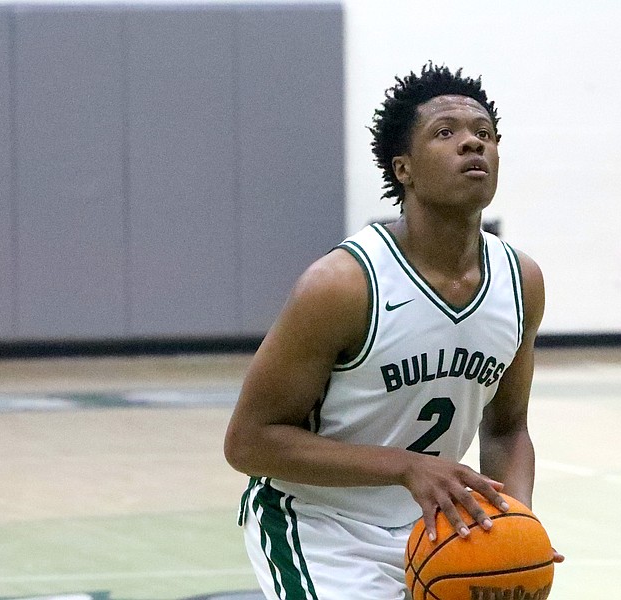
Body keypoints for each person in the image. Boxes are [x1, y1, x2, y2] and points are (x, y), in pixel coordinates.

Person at [224, 62, 562, 600]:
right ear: (403, 169)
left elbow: (507, 430)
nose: (472, 143)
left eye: (485, 133)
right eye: (445, 132)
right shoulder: (342, 284)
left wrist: (515, 524)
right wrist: (407, 467)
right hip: (322, 527)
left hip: (444, 528)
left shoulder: (521, 280)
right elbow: (249, 442)